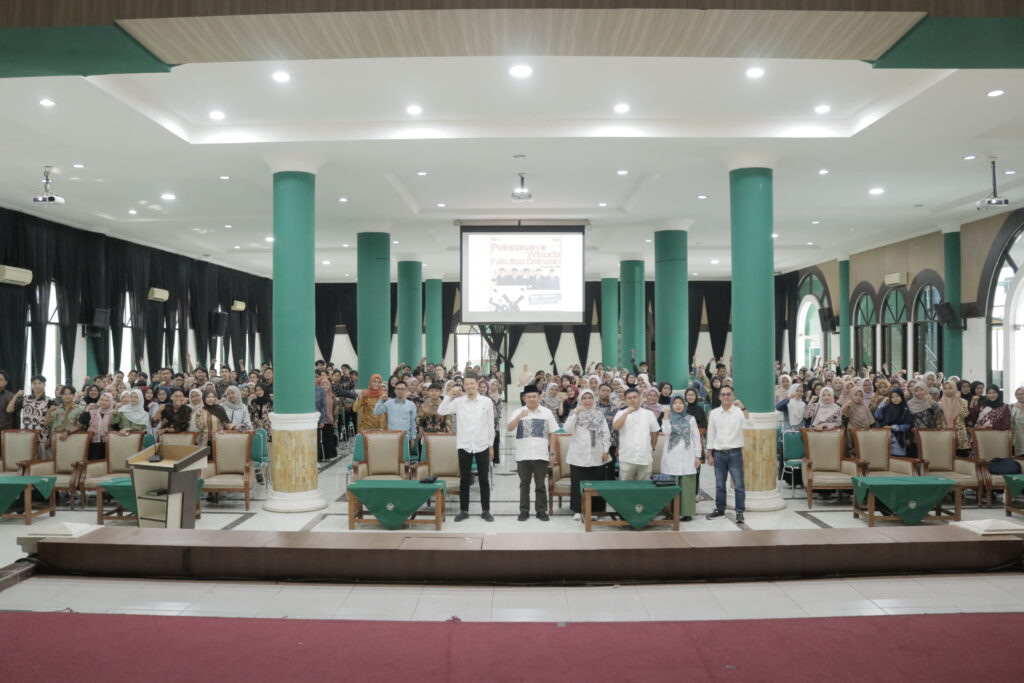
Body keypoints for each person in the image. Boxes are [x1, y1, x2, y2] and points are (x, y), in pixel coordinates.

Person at [438, 373, 496, 522]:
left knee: (484, 479)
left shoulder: (486, 402)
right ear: (464, 385)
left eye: (472, 383)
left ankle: (486, 510)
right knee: (464, 480)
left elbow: (491, 425)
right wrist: (448, 395)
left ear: (477, 384)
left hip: (482, 445)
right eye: (467, 383)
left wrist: (491, 446)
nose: (470, 386)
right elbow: (441, 411)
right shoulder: (458, 402)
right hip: (464, 445)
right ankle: (464, 510)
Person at [506, 384, 559, 522]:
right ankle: (524, 511)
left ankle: (541, 511)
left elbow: (553, 433)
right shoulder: (518, 411)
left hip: (541, 455)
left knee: (540, 484)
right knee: (524, 484)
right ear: (524, 398)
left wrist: (552, 453)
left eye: (534, 396)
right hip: (523, 455)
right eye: (528, 397)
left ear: (539, 397)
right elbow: (509, 428)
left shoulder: (547, 412)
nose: (532, 399)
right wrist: (519, 417)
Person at [562, 388, 611, 521]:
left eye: (590, 398)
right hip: (578, 454)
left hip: (597, 454)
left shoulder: (599, 415)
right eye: (584, 398)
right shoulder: (575, 413)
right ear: (580, 400)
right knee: (578, 483)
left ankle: (595, 510)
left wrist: (606, 450)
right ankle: (578, 510)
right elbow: (567, 429)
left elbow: (606, 433)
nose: (587, 400)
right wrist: (575, 413)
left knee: (596, 484)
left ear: (593, 400)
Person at [705, 385, 749, 524]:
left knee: (739, 485)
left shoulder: (739, 412)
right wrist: (709, 453)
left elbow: (750, 422)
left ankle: (740, 512)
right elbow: (711, 433)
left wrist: (743, 407)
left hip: (735, 454)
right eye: (723, 394)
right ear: (719, 397)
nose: (725, 396)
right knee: (719, 484)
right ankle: (720, 509)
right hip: (719, 454)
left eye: (728, 394)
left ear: (733, 396)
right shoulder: (714, 413)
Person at [661, 395, 701, 522]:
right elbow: (666, 432)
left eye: (680, 403)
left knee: (687, 484)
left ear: (684, 405)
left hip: (688, 455)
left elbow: (696, 438)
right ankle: (671, 511)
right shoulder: (668, 418)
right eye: (675, 403)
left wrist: (698, 456)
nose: (678, 405)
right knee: (672, 483)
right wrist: (666, 417)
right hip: (671, 455)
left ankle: (687, 512)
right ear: (671, 405)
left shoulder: (691, 419)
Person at [612, 388, 661, 481]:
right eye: (629, 398)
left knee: (644, 488)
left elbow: (655, 432)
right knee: (625, 488)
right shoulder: (621, 413)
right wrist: (627, 412)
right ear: (625, 400)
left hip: (645, 457)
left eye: (635, 397)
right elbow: (616, 426)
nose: (632, 399)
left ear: (640, 399)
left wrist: (652, 447)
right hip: (627, 457)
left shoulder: (649, 414)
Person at [373, 380, 418, 454]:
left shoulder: (411, 404)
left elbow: (413, 422)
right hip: (392, 436)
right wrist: (380, 401)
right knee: (393, 458)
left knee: (405, 459)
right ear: (395, 390)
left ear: (406, 390)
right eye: (398, 389)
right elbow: (376, 412)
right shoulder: (389, 403)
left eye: (402, 389)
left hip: (406, 437)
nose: (400, 391)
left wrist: (413, 438)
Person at [874, 388, 913, 456]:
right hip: (886, 438)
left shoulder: (905, 409)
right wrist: (882, 403)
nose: (895, 399)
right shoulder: (887, 407)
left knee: (898, 460)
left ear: (901, 396)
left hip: (899, 439)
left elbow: (907, 425)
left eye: (897, 396)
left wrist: (893, 427)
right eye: (892, 397)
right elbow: (877, 416)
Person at [939, 380, 972, 457]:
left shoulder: (963, 401)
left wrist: (958, 401)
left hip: (960, 435)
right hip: (946, 434)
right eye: (945, 388)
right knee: (948, 459)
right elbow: (939, 421)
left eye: (950, 388)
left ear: (955, 388)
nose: (947, 390)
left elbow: (965, 414)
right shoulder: (940, 403)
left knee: (962, 458)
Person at [81, 392, 116, 461]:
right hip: (93, 443)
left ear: (111, 402)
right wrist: (87, 410)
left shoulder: (113, 414)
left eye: (106, 400)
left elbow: (116, 428)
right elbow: (82, 420)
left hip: (107, 444)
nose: (103, 402)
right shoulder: (93, 412)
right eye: (102, 400)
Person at [1011, 387, 1024, 457]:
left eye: (1022, 394)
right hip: (1017, 435)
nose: (1019, 396)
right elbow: (1012, 421)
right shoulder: (1014, 406)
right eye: (1017, 394)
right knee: (1019, 456)